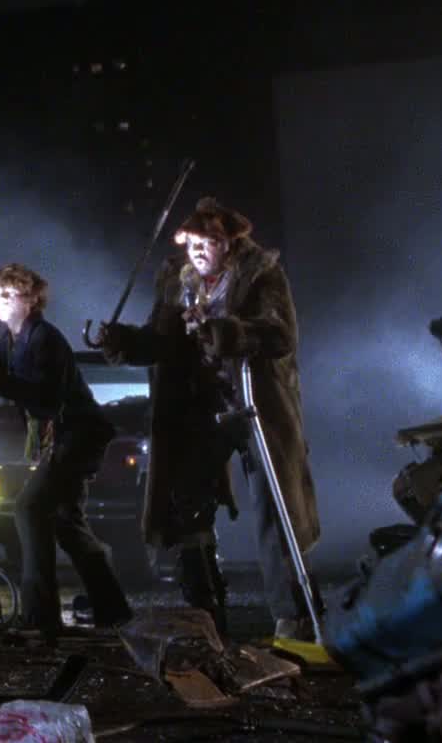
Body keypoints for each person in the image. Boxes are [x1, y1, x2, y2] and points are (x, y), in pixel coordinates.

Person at [98, 198, 320, 638]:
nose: (199, 249)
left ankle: (293, 615)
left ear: (229, 243)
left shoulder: (260, 275)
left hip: (255, 403)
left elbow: (280, 335)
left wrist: (226, 331)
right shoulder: (178, 281)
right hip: (200, 406)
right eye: (193, 241)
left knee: (273, 505)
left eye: (210, 240)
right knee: (185, 500)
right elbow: (160, 340)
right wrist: (123, 341)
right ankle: (205, 611)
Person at [0, 264, 133, 638]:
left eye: (9, 294)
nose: (1, 302)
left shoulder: (46, 339)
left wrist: (2, 381)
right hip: (60, 438)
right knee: (66, 522)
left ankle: (39, 616)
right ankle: (114, 610)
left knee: (30, 507)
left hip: (79, 434)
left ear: (31, 300)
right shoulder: (9, 340)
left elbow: (46, 400)